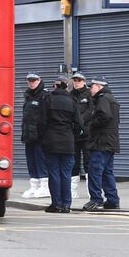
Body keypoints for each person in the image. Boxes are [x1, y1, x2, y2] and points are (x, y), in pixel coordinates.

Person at [39, 75, 84, 213]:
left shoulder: (48, 99)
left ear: (55, 86)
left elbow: (41, 122)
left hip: (51, 141)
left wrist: (43, 137)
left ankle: (56, 204)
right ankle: (66, 205)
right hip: (68, 141)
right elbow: (79, 124)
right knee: (66, 173)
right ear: (66, 86)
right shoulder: (72, 101)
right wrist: (73, 136)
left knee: (54, 173)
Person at [82, 76, 120, 212]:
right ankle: (112, 200)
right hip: (109, 142)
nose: (90, 90)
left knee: (95, 171)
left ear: (99, 86)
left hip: (101, 142)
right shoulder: (111, 98)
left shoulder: (103, 98)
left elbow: (104, 116)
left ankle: (96, 200)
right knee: (106, 172)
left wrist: (91, 124)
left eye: (91, 87)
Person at [21, 72, 50, 199]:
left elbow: (45, 117)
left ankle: (45, 186)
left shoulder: (44, 96)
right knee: (31, 161)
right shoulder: (28, 95)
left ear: (39, 80)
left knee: (41, 161)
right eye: (29, 81)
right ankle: (34, 186)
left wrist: (43, 135)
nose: (31, 83)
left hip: (40, 136)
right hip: (29, 135)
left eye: (34, 80)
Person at [69, 71, 92, 199]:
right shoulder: (70, 95)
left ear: (84, 81)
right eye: (75, 80)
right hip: (74, 134)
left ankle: (91, 190)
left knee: (88, 161)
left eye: (78, 80)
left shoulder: (89, 94)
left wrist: (80, 121)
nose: (76, 83)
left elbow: (91, 110)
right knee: (74, 162)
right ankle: (73, 190)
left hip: (87, 133)